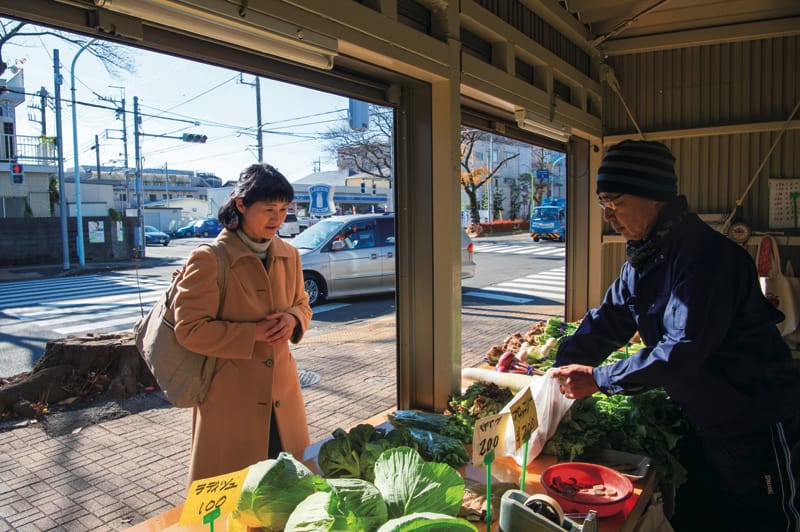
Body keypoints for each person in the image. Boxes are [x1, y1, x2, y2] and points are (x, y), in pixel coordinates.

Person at [550, 140, 800, 531]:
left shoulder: (706, 258)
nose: (608, 215)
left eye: (615, 201)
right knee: (704, 516)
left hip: (754, 421)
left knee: (763, 520)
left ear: (654, 197)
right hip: (703, 419)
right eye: (603, 204)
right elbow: (609, 319)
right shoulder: (645, 257)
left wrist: (599, 379)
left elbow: (682, 349)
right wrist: (559, 368)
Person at [172, 163, 313, 483]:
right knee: (235, 496)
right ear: (241, 205)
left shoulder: (290, 255)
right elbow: (189, 329)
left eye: (283, 209)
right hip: (230, 399)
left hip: (283, 394)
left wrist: (292, 319)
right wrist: (253, 333)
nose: (277, 218)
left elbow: (303, 304)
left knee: (288, 489)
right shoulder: (209, 258)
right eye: (268, 209)